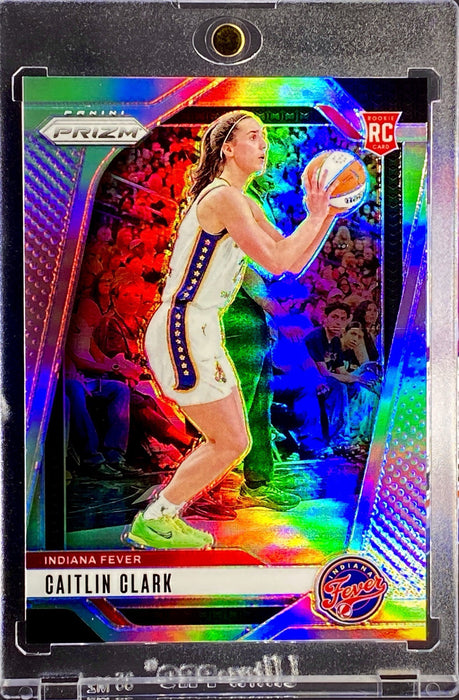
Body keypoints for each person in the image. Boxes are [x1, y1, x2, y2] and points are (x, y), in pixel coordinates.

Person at [123, 110, 336, 550]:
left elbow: (291, 260)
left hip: (201, 326)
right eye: (254, 136)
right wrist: (316, 215)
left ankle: (162, 516)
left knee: (234, 440)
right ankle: (156, 519)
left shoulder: (243, 199)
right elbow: (277, 260)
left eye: (265, 138)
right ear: (227, 148)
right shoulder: (224, 198)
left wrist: (327, 214)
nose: (264, 145)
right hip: (183, 324)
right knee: (229, 441)